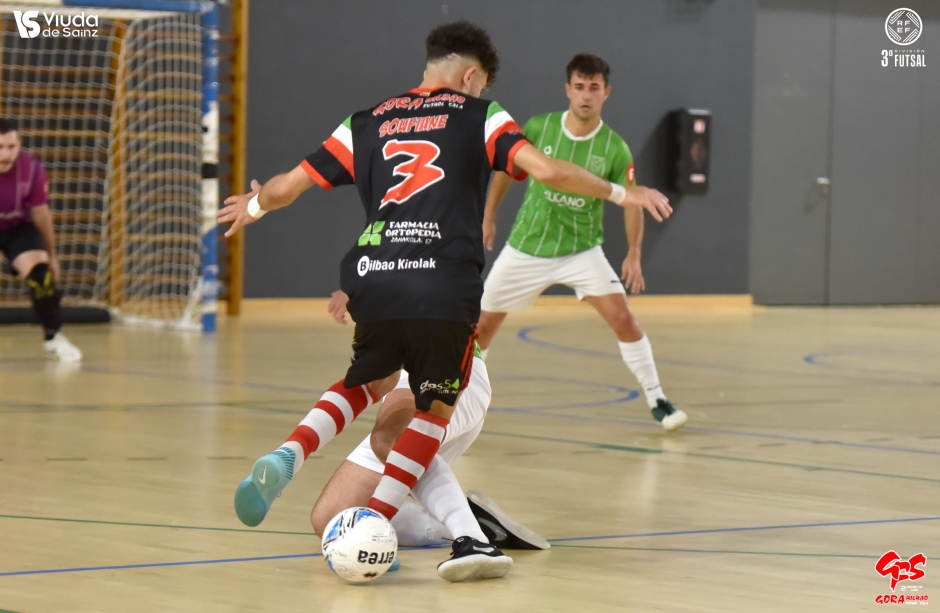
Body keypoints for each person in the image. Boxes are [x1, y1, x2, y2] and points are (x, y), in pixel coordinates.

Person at [218, 22, 671, 574]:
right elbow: (550, 171)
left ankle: (310, 461)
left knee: (370, 390)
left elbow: (287, 186)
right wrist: (624, 192)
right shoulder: (480, 115)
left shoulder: (367, 120)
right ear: (472, 77)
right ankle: (449, 527)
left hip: (374, 275)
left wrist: (254, 206)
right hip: (441, 286)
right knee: (342, 504)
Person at [478, 54, 686, 432]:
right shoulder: (539, 127)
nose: (586, 95)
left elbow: (631, 200)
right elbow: (507, 171)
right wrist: (489, 216)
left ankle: (657, 398)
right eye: (579, 87)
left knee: (623, 319)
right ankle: (460, 395)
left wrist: (634, 253)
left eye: (594, 88)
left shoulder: (615, 148)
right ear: (567, 90)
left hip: (581, 251)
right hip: (526, 247)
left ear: (606, 92)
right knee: (480, 328)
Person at [309, 290, 549, 581]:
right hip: (405, 382)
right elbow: (374, 379)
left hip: (452, 370)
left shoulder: (413, 273)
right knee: (332, 521)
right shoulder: (365, 277)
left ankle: (473, 539)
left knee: (391, 440)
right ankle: (474, 523)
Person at [0, 118, 81, 362]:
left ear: (20, 145)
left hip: (18, 229)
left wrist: (51, 256)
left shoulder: (31, 169)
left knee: (41, 278)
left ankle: (53, 337)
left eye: (11, 147)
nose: (5, 154)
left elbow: (41, 214)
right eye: (0, 147)